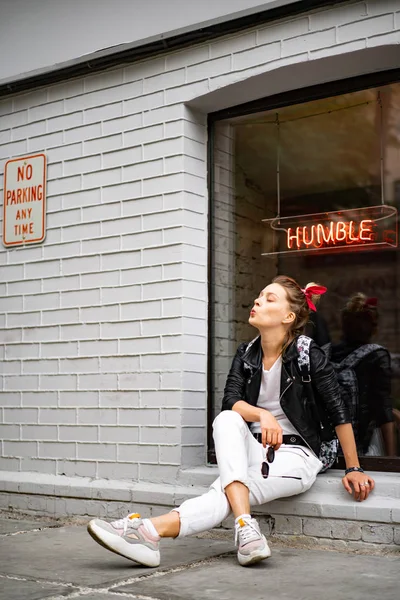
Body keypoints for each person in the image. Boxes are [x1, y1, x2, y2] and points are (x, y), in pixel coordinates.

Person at [87, 275, 375, 568]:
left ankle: (148, 531)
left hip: (299, 455)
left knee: (225, 490)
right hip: (255, 448)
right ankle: (245, 528)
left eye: (269, 298)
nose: (258, 301)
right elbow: (230, 401)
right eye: (259, 295)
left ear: (289, 317)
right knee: (226, 419)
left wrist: (353, 467)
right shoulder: (247, 353)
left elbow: (339, 411)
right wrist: (262, 415)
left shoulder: (307, 354)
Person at [330, 293, 395, 456]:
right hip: (361, 447)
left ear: (343, 324)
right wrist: (392, 458)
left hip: (328, 445)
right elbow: (383, 408)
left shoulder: (324, 353)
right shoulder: (376, 355)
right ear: (374, 326)